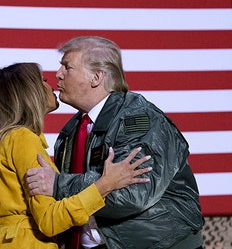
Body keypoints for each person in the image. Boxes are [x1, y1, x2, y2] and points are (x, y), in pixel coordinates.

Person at [25, 36, 205, 249]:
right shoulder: (71, 131)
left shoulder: (139, 120)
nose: (58, 74)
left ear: (96, 77)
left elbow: (131, 194)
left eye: (67, 67)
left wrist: (58, 184)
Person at [0, 63, 152, 248]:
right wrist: (105, 185)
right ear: (30, 92)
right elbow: (49, 221)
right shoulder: (22, 139)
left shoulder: (0, 141)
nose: (51, 86)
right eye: (43, 80)